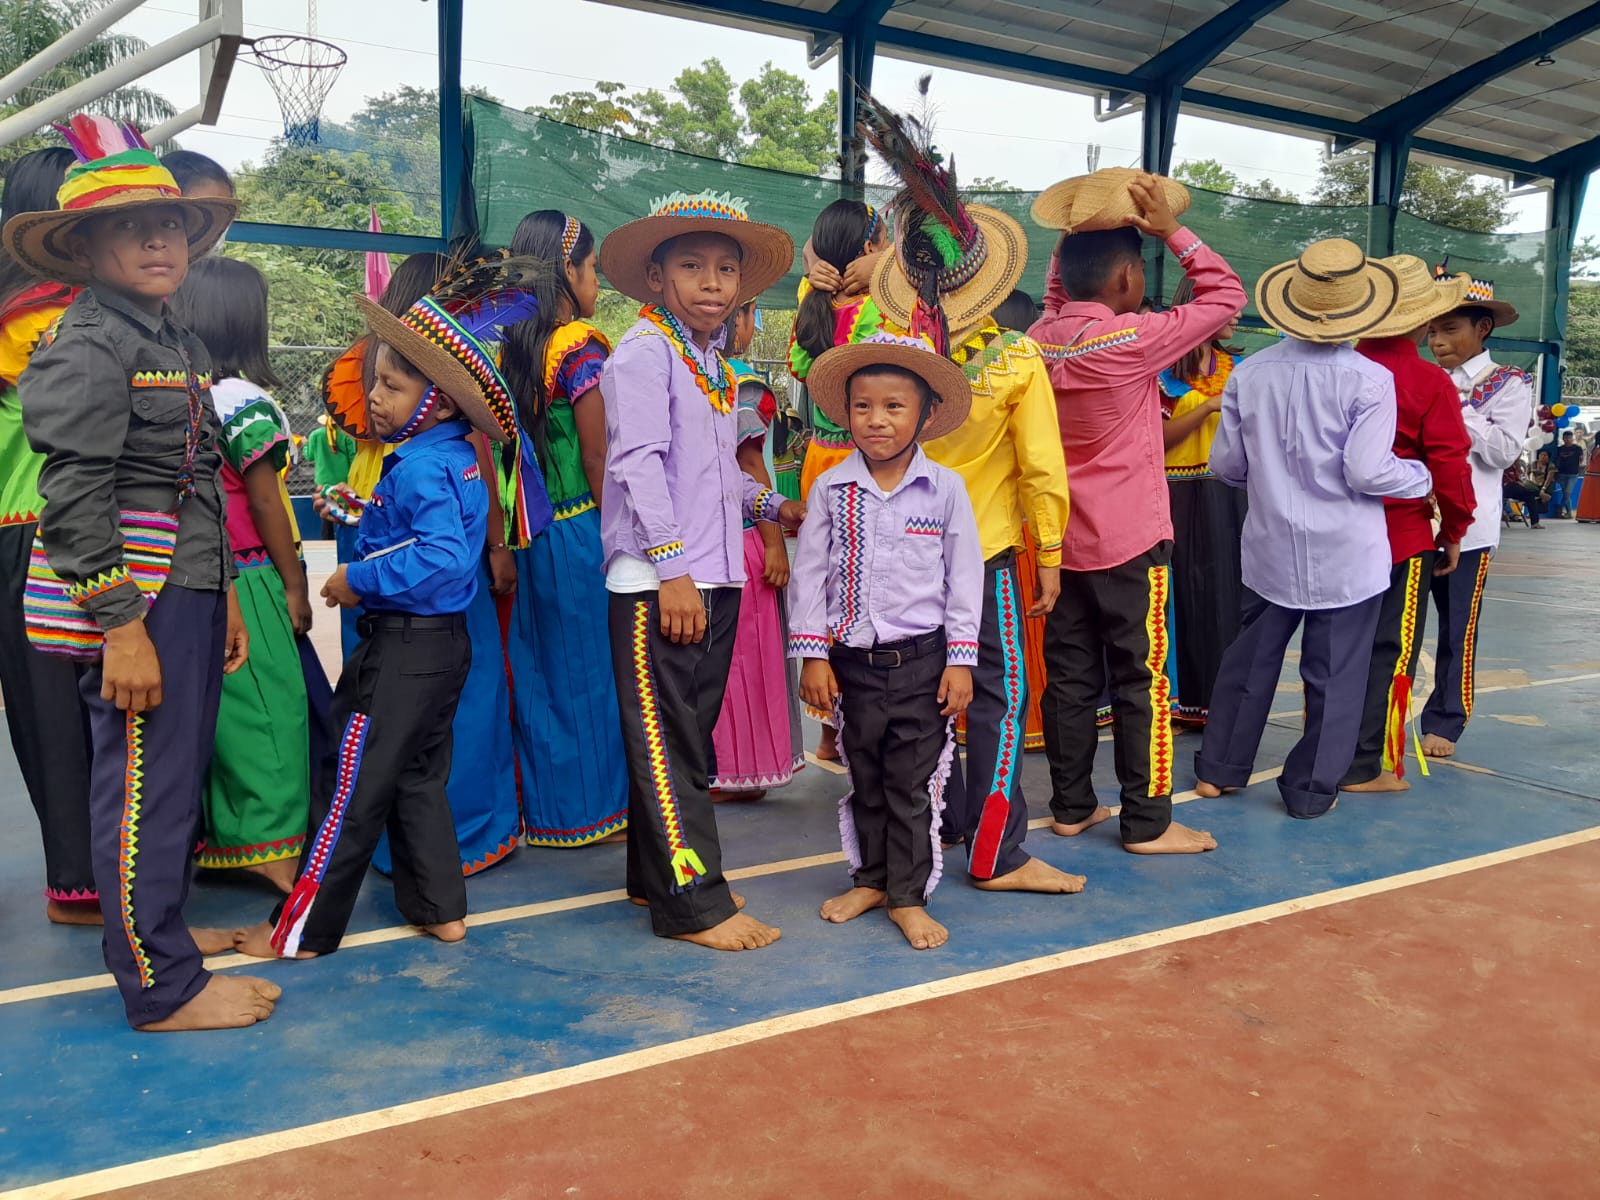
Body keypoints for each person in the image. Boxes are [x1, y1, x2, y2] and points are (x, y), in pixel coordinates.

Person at [8, 116, 277, 1029]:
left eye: (168, 225)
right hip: (135, 604)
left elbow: (198, 479)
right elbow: (73, 497)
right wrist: (122, 627)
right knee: (141, 787)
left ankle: (162, 934)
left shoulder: (177, 343)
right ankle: (161, 989)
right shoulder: (88, 345)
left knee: (170, 780)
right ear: (84, 247)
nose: (159, 241)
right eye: (130, 227)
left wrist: (227, 596)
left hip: (189, 591)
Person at [234, 252, 541, 960]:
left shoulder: (427, 464)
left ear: (434, 399)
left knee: (351, 789)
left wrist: (356, 580)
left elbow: (438, 558)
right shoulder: (448, 457)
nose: (375, 398)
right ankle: (442, 910)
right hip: (442, 650)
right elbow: (435, 535)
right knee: (418, 779)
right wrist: (365, 513)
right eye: (377, 382)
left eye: (393, 387)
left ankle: (302, 933)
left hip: (401, 651)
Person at [858, 93, 1077, 892]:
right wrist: (1048, 552)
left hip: (898, 559)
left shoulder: (885, 359)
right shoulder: (1015, 361)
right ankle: (994, 853)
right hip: (981, 561)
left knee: (910, 699)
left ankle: (910, 846)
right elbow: (1042, 471)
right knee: (998, 698)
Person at [596, 191, 803, 952]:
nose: (712, 282)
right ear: (656, 279)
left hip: (711, 576)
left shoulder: (709, 359)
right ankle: (695, 904)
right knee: (671, 743)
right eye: (692, 266)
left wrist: (773, 507)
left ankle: (656, 875)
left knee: (684, 735)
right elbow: (639, 466)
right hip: (662, 581)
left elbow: (715, 475)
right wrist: (672, 570)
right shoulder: (646, 352)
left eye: (725, 268)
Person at [1029, 166, 1242, 855]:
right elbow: (1225, 294)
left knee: (1068, 679)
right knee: (1140, 679)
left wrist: (1072, 240)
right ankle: (1147, 821)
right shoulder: (1131, 340)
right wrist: (1172, 231)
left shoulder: (1037, 339)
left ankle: (1070, 806)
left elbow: (1060, 295)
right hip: (1128, 540)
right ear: (1125, 280)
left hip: (1057, 544)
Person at [1194, 240, 1434, 818]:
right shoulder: (1371, 380)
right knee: (1335, 672)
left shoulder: (1249, 374)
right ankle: (1308, 790)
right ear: (1361, 312)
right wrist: (1420, 478)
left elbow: (1226, 466)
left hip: (1270, 543)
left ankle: (1219, 771)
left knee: (1250, 660)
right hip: (1348, 551)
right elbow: (1367, 470)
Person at [322, 252, 524, 877]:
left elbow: (360, 450)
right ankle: (461, 840)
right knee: (457, 706)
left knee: (383, 719)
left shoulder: (364, 366)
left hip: (379, 545)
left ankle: (392, 846)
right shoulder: (437, 385)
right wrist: (495, 546)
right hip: (428, 577)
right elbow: (476, 474)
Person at [790, 333, 982, 950]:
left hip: (924, 664)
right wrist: (814, 654)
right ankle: (870, 878)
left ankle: (907, 895)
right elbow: (810, 574)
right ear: (845, 412)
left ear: (924, 415)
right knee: (865, 775)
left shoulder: (946, 489)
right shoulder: (830, 489)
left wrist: (961, 662)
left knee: (908, 782)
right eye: (863, 406)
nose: (877, 420)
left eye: (895, 407)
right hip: (853, 666)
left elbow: (964, 578)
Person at [170, 256, 313, 886]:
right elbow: (263, 500)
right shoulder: (246, 403)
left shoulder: (185, 396)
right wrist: (294, 582)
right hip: (249, 573)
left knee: (221, 718)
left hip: (195, 573)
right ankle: (277, 854)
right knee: (271, 711)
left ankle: (226, 841)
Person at [498, 209, 628, 846]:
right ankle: (596, 811)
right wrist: (621, 539)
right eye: (593, 269)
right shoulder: (579, 344)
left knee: (544, 673)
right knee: (593, 674)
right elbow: (598, 454)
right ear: (567, 272)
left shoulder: (510, 348)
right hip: (581, 526)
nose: (597, 283)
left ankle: (550, 813)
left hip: (530, 532)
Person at [0, 146, 99, 925]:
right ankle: (92, 880)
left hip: (12, 532)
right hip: (65, 526)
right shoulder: (68, 315)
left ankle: (76, 874)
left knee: (41, 717)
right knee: (91, 711)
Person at [1340, 256, 1477, 794]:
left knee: (1333, 646)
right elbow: (1450, 465)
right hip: (1402, 536)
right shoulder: (1428, 380)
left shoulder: (1340, 368)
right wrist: (1454, 532)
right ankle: (1367, 763)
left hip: (1334, 533)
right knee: (1389, 648)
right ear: (1422, 322)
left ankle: (1322, 748)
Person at [1421, 266, 1536, 759]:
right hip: (1409, 522)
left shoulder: (1508, 384)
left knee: (1456, 628)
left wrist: (1456, 409)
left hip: (1469, 530)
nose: (1438, 341)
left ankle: (1446, 718)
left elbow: (1502, 452)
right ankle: (1377, 711)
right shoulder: (1419, 378)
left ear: (1482, 329)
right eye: (1431, 330)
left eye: (1450, 329)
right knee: (1391, 628)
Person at [790, 198, 887, 762]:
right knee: (866, 589)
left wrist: (812, 264)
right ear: (870, 250)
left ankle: (828, 732)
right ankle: (861, 723)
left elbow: (804, 366)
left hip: (818, 463)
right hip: (863, 465)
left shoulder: (814, 304)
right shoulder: (876, 310)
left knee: (826, 590)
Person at [711, 300, 804, 798]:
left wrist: (772, 542)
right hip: (745, 537)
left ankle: (736, 772)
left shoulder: (728, 381)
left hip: (742, 533)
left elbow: (750, 468)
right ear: (738, 322)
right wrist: (773, 542)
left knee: (737, 661)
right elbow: (753, 464)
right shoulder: (736, 380)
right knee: (742, 659)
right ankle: (739, 769)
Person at [1157, 275, 1248, 726]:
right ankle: (1181, 700)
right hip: (1177, 492)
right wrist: (1208, 408)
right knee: (1184, 596)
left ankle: (1219, 698)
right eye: (1226, 306)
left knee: (1226, 595)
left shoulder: (1234, 367)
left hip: (1226, 493)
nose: (1235, 315)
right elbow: (1156, 436)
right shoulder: (1162, 367)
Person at [1505, 457, 1547, 528]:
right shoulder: (1504, 468)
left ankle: (1535, 523)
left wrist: (1519, 473)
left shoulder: (1514, 469)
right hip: (1504, 489)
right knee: (1513, 485)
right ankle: (1539, 494)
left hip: (1516, 490)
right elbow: (1507, 482)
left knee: (1530, 498)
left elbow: (1518, 481)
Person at [1555, 430, 1584, 517]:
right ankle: (1569, 513)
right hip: (1562, 474)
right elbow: (1557, 461)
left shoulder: (1578, 448)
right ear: (1563, 439)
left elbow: (1581, 459)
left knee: (1568, 492)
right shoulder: (1559, 449)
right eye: (1566, 438)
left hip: (1573, 474)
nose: (1567, 439)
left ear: (1572, 438)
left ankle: (1560, 508)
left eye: (1569, 438)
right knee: (1565, 493)